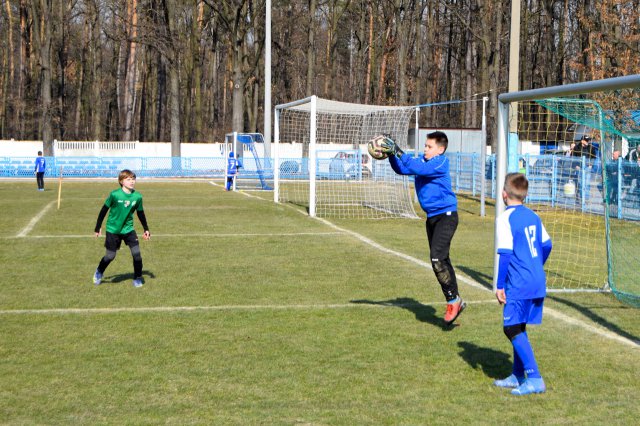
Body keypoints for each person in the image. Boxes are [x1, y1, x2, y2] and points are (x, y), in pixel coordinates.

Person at [379, 131, 465, 325]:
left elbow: (416, 167)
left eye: (429, 146)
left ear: (440, 149)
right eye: (425, 146)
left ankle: (453, 301)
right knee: (441, 259)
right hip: (432, 218)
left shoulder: (440, 162)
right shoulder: (423, 162)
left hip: (447, 216)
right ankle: (455, 299)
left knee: (436, 258)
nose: (425, 149)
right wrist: (392, 155)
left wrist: (398, 150)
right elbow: (402, 169)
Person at [494, 173, 552, 395]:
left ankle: (534, 378)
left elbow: (506, 254)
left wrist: (499, 285)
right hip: (537, 278)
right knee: (519, 325)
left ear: (504, 194)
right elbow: (547, 245)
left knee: (510, 327)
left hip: (520, 281)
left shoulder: (505, 218)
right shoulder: (533, 216)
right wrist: (536, 264)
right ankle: (518, 375)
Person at [93, 169, 151, 288]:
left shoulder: (137, 197)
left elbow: (140, 213)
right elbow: (104, 210)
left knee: (137, 255)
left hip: (128, 229)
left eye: (133, 179)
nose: (132, 181)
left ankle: (138, 278)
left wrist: (146, 229)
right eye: (128, 179)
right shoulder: (115, 194)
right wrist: (98, 227)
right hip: (113, 229)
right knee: (110, 256)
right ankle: (99, 271)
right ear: (121, 181)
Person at [571, 135, 597, 201]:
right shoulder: (576, 148)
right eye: (586, 140)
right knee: (580, 183)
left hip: (588, 167)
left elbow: (594, 157)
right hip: (579, 167)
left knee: (587, 183)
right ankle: (581, 197)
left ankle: (586, 198)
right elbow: (573, 157)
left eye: (588, 140)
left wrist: (591, 164)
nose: (587, 142)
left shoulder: (591, 148)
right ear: (582, 141)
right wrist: (576, 165)